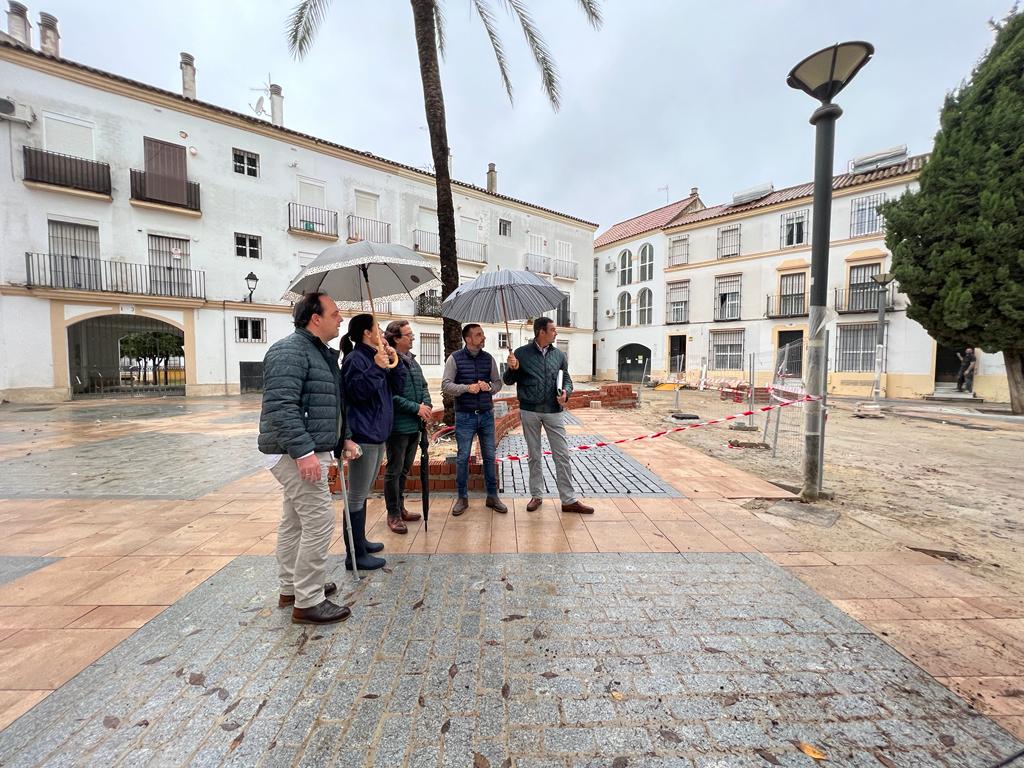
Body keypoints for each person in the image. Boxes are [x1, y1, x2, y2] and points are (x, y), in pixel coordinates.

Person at [258, 291, 359, 625]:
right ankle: (308, 600)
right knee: (318, 521)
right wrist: (303, 452)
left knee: (295, 521)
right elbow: (281, 407)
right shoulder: (289, 351)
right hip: (293, 452)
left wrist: (340, 439)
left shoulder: (318, 353)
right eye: (334, 313)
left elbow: (323, 405)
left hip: (305, 448)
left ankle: (293, 587)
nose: (340, 319)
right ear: (315, 318)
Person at [503, 317, 594, 515]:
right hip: (530, 410)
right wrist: (512, 367)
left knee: (562, 454)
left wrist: (566, 393)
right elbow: (508, 380)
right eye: (553, 330)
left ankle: (568, 500)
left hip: (554, 411)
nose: (556, 332)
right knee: (534, 456)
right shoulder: (520, 353)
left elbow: (567, 379)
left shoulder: (559, 355)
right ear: (541, 332)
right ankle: (536, 495)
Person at [341, 313, 406, 570]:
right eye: (377, 328)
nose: (381, 332)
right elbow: (357, 393)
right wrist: (377, 367)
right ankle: (354, 555)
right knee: (356, 495)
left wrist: (393, 361)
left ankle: (361, 542)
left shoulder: (374, 355)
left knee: (364, 492)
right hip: (364, 434)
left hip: (379, 433)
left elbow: (397, 386)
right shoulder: (355, 359)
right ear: (367, 333)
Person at [442, 323, 507, 516]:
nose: (483, 338)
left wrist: (489, 387)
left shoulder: (489, 359)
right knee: (463, 458)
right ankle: (462, 497)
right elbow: (446, 385)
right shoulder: (454, 359)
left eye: (483, 334)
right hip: (465, 416)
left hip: (487, 415)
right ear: (468, 339)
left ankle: (492, 496)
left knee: (489, 456)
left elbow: (498, 383)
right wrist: (466, 388)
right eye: (479, 335)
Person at [383, 320, 432, 533]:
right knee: (394, 471)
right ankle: (393, 514)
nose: (412, 338)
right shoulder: (389, 362)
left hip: (414, 426)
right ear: (396, 338)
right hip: (397, 427)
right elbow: (389, 396)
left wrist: (427, 406)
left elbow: (423, 386)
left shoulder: (412, 361)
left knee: (404, 470)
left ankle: (400, 508)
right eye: (408, 335)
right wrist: (416, 408)